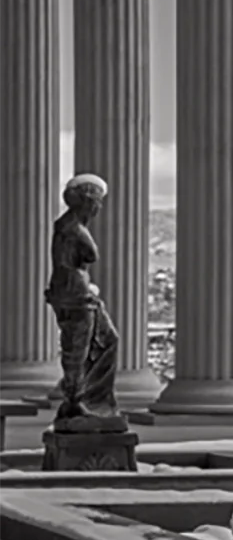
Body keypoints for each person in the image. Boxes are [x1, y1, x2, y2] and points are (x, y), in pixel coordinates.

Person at [45, 174, 121, 421]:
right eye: (97, 201)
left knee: (103, 341)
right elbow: (91, 255)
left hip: (74, 292)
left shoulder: (67, 225)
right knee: (79, 349)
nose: (99, 207)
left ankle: (89, 398)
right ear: (87, 201)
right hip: (76, 295)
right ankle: (78, 400)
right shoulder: (74, 229)